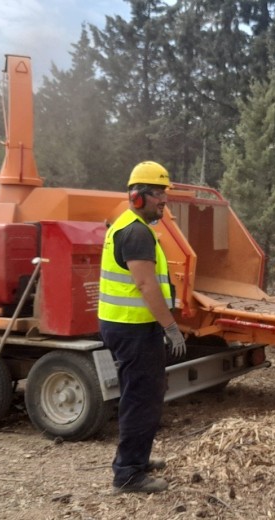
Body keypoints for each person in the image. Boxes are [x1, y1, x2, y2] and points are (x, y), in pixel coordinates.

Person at [98, 161, 187, 494]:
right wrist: (171, 327)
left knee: (139, 396)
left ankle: (136, 458)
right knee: (142, 399)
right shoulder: (136, 232)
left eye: (165, 194)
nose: (164, 201)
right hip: (133, 328)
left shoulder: (131, 226)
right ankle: (128, 474)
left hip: (126, 327)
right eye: (158, 195)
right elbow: (146, 285)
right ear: (137, 197)